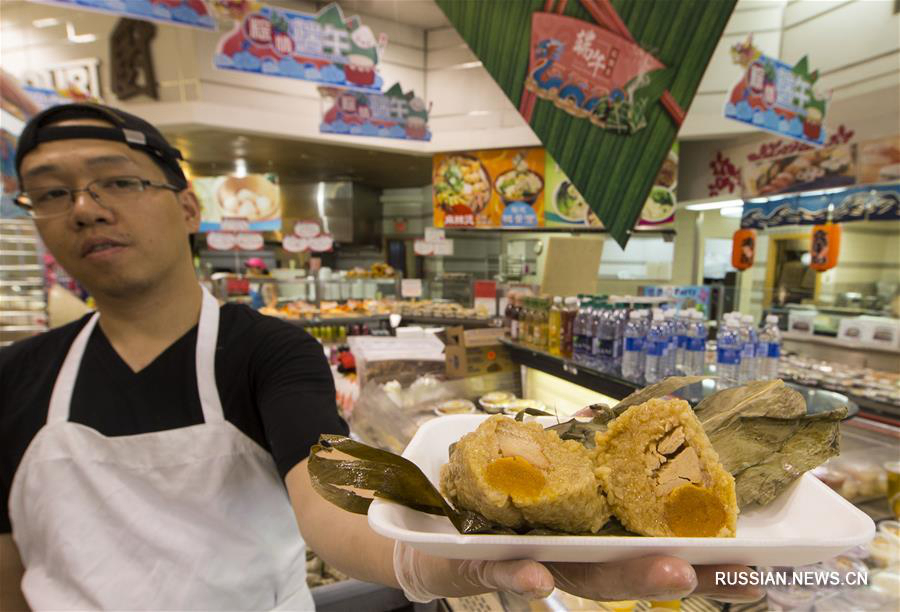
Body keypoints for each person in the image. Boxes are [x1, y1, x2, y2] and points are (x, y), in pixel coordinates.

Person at [0, 103, 763, 610]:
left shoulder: (265, 351)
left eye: (117, 182)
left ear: (187, 204)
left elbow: (330, 498)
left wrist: (434, 561)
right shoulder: (17, 375)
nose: (86, 208)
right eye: (49, 192)